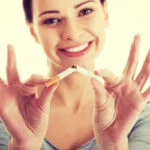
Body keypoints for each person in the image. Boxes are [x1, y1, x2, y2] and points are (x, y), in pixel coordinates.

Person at [0, 0, 150, 149]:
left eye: (85, 11)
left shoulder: (138, 112)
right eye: (51, 20)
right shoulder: (8, 115)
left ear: (105, 13)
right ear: (33, 31)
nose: (72, 33)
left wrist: (113, 145)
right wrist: (24, 145)